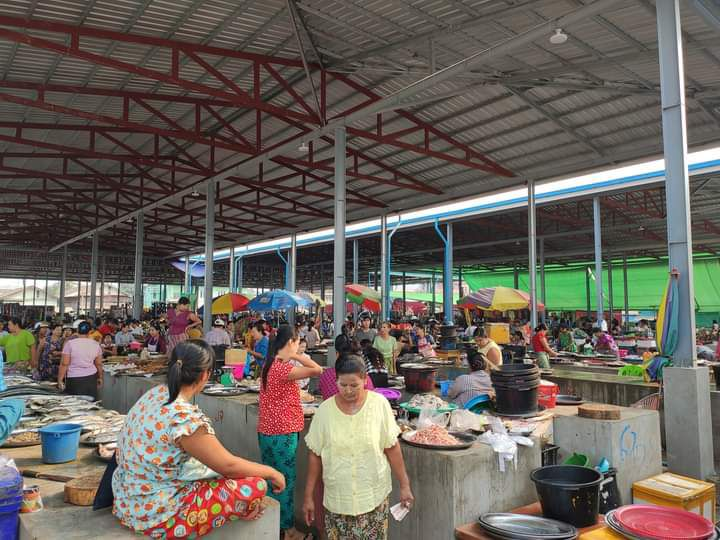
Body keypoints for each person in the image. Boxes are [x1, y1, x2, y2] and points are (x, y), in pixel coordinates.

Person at [112, 340, 286, 537]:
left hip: (127, 498)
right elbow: (228, 466)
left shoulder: (155, 394)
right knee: (256, 484)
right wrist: (271, 472)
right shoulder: (184, 419)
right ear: (205, 375)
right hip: (157, 514)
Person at [303, 354, 414, 540]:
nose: (348, 390)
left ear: (364, 380)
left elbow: (392, 447)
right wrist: (308, 496)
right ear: (336, 380)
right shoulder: (324, 411)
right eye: (342, 384)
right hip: (338, 501)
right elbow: (315, 454)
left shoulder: (379, 405)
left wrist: (405, 485)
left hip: (373, 498)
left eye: (354, 385)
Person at [257, 325, 322, 540]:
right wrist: (297, 355)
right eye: (297, 341)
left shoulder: (269, 364)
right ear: (291, 341)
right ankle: (288, 531)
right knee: (284, 482)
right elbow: (317, 370)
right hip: (283, 432)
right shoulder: (282, 368)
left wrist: (291, 355)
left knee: (272, 480)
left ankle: (272, 526)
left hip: (267, 431)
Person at [58, 321, 103, 400]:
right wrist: (100, 377)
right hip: (91, 378)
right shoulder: (96, 344)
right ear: (90, 332)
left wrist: (60, 380)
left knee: (75, 404)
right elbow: (98, 364)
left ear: (77, 331)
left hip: (74, 379)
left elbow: (64, 363)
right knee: (91, 405)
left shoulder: (70, 344)